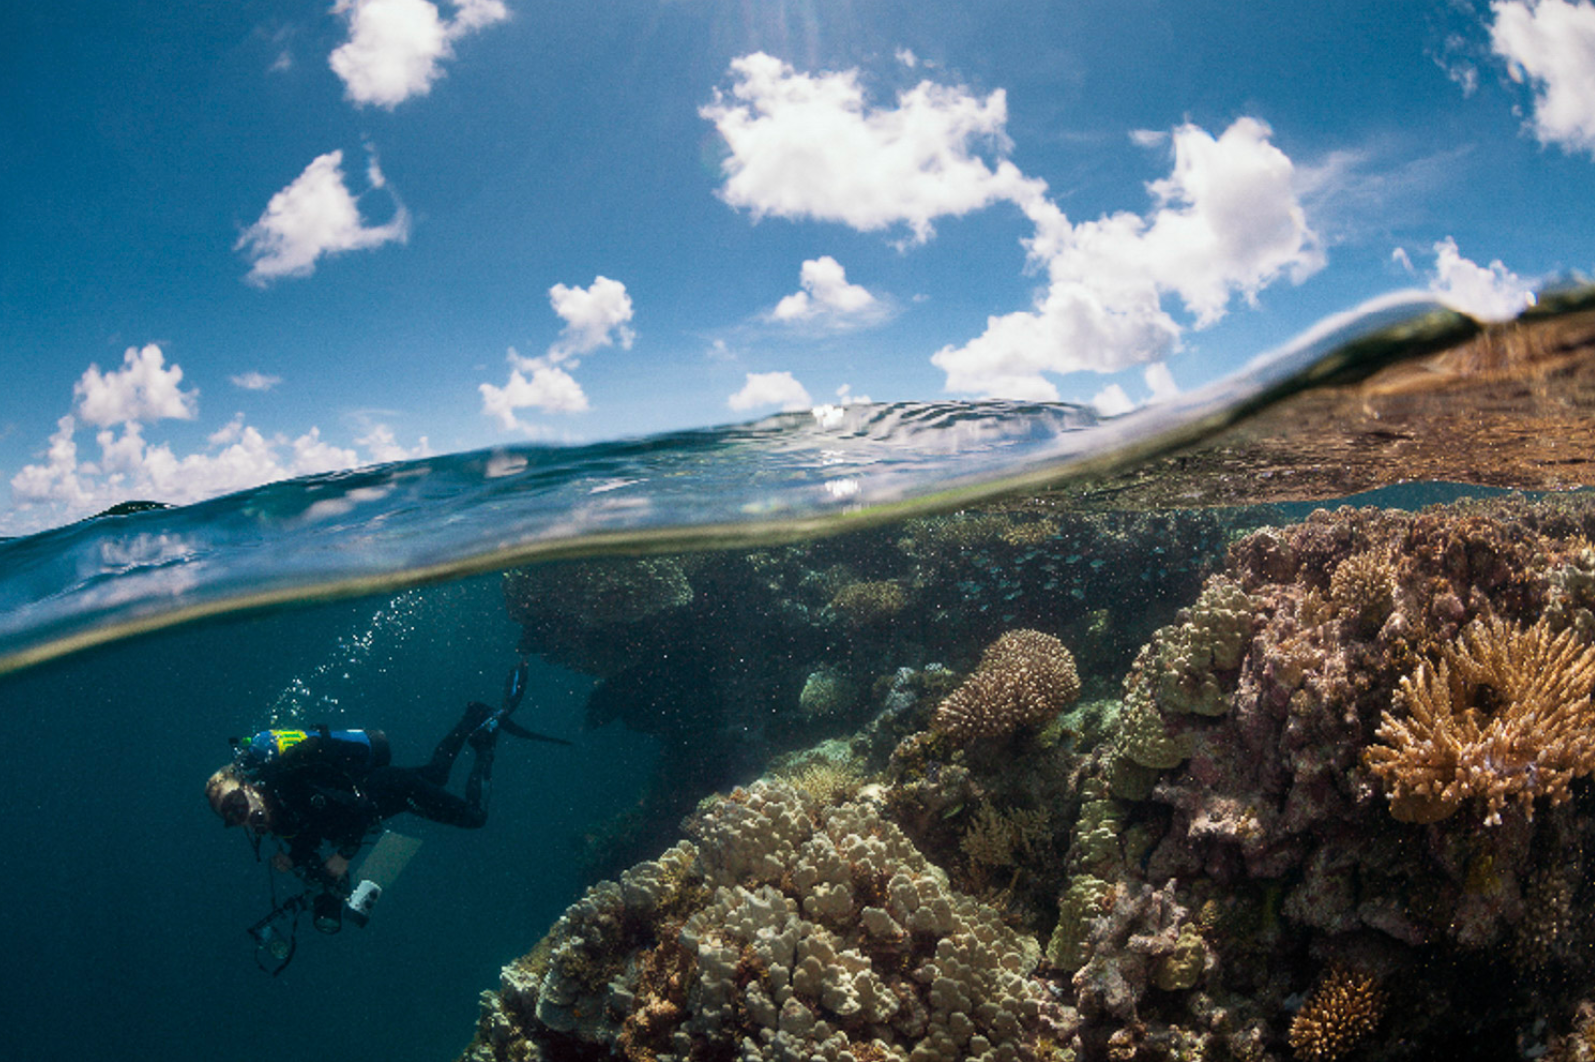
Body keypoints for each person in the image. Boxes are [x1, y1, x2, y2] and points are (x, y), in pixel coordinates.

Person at [206, 659, 565, 931]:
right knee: (437, 774)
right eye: (231, 816)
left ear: (247, 785)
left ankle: (484, 741)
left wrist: (345, 856)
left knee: (474, 816)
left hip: (384, 790)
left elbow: (355, 810)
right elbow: (315, 833)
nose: (241, 814)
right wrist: (296, 858)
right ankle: (474, 716)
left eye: (237, 802)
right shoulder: (276, 817)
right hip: (379, 792)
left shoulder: (290, 783)